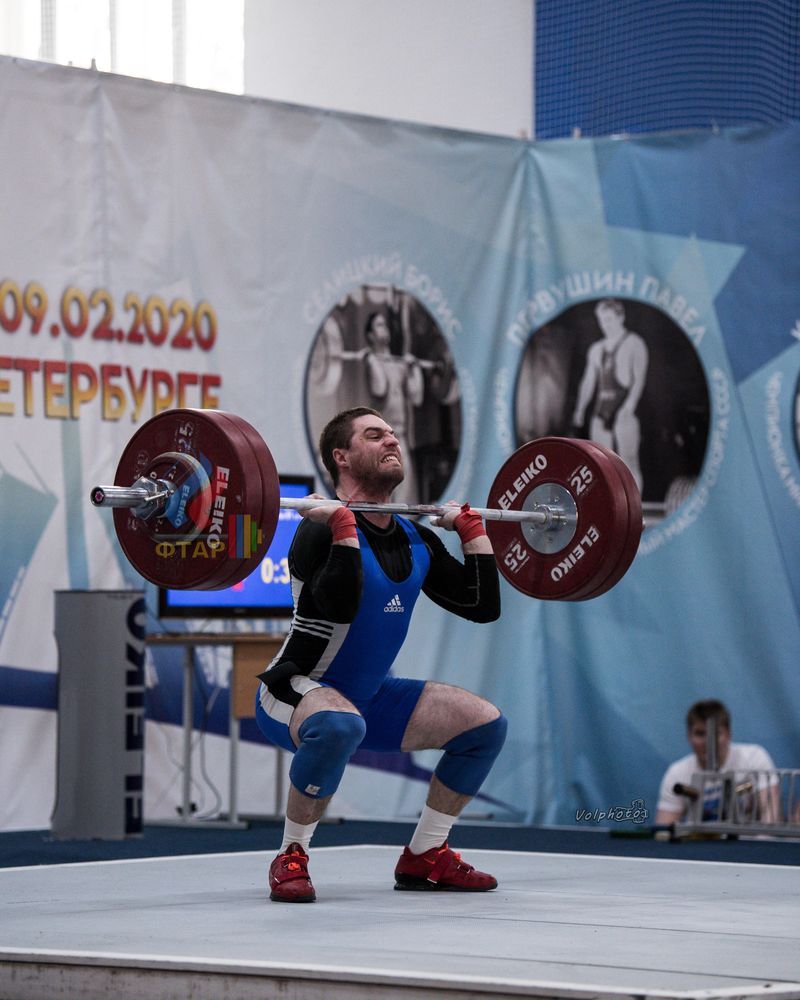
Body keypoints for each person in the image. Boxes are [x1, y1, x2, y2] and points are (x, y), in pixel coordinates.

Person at [255, 406, 506, 902]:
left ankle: (426, 855)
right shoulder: (316, 529)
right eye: (375, 435)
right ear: (342, 457)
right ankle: (291, 854)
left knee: (484, 728)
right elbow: (340, 605)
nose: (392, 441)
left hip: (367, 699)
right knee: (339, 725)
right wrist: (343, 525)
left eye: (393, 434)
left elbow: (481, 607)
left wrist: (473, 535)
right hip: (295, 692)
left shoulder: (416, 537)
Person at [655, 699, 780, 826]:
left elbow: (771, 816)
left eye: (716, 734)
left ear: (729, 734)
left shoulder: (754, 758)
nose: (708, 742)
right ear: (689, 736)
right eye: (700, 734)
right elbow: (664, 828)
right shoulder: (677, 773)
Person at [571, 298, 648, 493]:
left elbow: (639, 379)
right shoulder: (596, 349)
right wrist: (580, 409)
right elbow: (588, 382)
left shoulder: (634, 343)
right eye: (602, 320)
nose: (605, 324)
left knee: (629, 461)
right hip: (601, 408)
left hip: (624, 407)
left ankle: (635, 506)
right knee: (601, 465)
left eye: (609, 319)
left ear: (621, 317)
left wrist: (629, 406)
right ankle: (609, 507)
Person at [363, 311, 424, 503]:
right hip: (381, 442)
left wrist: (415, 370)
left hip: (401, 438)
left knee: (406, 498)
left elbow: (417, 397)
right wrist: (372, 361)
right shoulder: (372, 362)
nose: (385, 329)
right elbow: (380, 388)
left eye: (385, 324)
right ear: (371, 335)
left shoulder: (401, 365)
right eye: (379, 325)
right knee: (384, 496)